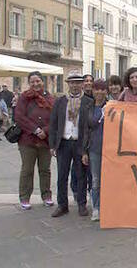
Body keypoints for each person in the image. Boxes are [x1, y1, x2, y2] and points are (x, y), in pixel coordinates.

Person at [49, 71, 94, 218]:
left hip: (80, 142)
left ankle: (82, 204)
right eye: (72, 83)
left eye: (78, 82)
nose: (75, 85)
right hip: (64, 141)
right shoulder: (60, 101)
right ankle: (62, 205)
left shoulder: (88, 101)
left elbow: (90, 125)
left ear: (82, 84)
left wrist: (87, 145)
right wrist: (52, 144)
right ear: (68, 84)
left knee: (81, 175)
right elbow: (54, 123)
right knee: (62, 175)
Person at [14, 71, 55, 210]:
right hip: (27, 140)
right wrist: (36, 130)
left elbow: (55, 118)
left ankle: (46, 195)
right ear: (29, 83)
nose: (35, 84)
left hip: (45, 140)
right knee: (27, 170)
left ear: (43, 82)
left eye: (38, 81)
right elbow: (19, 117)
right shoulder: (24, 98)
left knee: (45, 170)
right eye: (32, 82)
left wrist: (46, 131)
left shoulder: (50, 98)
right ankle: (24, 197)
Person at [82, 80, 108, 221]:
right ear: (92, 91)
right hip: (94, 148)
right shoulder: (88, 107)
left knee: (109, 180)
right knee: (96, 180)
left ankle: (108, 206)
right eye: (96, 89)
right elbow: (85, 130)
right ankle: (96, 208)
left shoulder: (112, 105)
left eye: (102, 89)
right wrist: (84, 151)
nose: (99, 92)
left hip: (111, 149)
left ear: (106, 91)